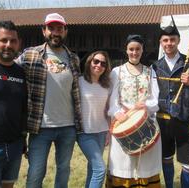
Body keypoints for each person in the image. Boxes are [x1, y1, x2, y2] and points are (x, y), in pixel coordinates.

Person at [16, 13, 82, 188]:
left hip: (68, 127)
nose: (55, 32)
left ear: (65, 31)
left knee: (63, 170)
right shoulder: (30, 54)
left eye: (59, 29)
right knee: (36, 172)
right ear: (44, 31)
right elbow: (7, 67)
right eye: (51, 28)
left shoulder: (74, 59)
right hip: (40, 127)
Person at [152, 17, 189, 188]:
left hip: (185, 119)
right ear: (161, 42)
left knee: (188, 163)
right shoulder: (155, 66)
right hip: (163, 119)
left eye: (172, 39)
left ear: (178, 41)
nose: (169, 43)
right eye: (165, 40)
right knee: (166, 158)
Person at [106, 34, 162, 187]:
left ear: (142, 50)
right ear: (126, 50)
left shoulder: (150, 72)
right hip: (124, 120)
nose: (134, 52)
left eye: (138, 49)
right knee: (123, 161)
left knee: (146, 161)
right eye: (131, 49)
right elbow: (112, 98)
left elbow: (155, 98)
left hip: (145, 121)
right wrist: (117, 112)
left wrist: (146, 106)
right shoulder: (117, 72)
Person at [0, 20, 27, 188]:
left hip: (15, 145)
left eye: (13, 41)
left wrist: (23, 138)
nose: (8, 45)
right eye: (4, 40)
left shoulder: (21, 73)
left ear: (18, 43)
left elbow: (23, 106)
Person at [77, 51, 111, 188]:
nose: (99, 65)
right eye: (96, 61)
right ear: (89, 62)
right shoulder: (79, 82)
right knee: (100, 169)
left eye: (103, 63)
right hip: (85, 132)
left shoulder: (107, 85)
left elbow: (107, 110)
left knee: (93, 168)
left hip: (102, 132)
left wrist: (109, 131)